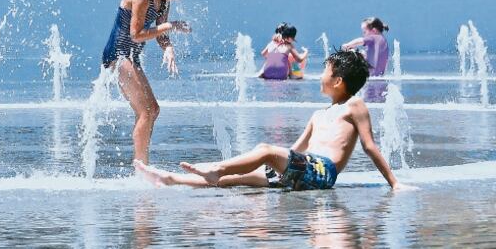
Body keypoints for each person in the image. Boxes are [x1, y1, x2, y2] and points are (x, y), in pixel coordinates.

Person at [134, 50, 403, 191]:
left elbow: (369, 146)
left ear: (338, 81)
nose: (319, 74)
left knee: (263, 149)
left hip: (322, 172)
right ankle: (169, 178)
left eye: (324, 70)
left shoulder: (354, 105)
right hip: (303, 170)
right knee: (234, 178)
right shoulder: (318, 115)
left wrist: (394, 183)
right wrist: (273, 163)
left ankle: (216, 167)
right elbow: (295, 151)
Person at [102, 0, 195, 164]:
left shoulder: (163, 0)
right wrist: (170, 26)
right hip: (117, 55)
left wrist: (168, 48)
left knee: (152, 110)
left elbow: (160, 32)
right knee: (147, 110)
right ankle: (141, 167)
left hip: (129, 57)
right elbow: (136, 35)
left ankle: (142, 165)